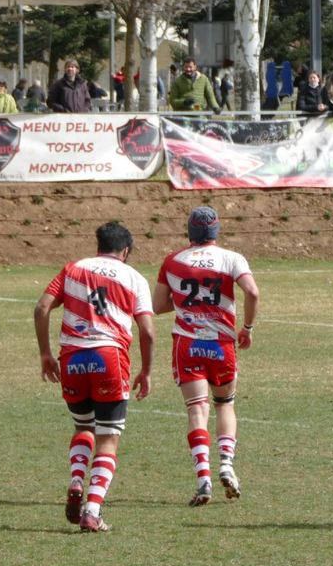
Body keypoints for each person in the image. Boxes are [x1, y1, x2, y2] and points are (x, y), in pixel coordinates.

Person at [33, 221, 155, 532]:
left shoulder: (73, 269)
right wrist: (146, 370)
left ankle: (76, 479)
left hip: (72, 357)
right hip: (109, 357)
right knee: (108, 438)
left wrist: (46, 354)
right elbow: (148, 332)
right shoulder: (135, 278)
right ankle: (92, 510)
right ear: (125, 251)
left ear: (97, 245)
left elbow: (41, 308)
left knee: (83, 425)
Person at [152, 207, 258, 505]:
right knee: (225, 404)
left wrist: (190, 302)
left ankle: (203, 479)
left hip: (188, 344)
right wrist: (247, 328)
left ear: (190, 231)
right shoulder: (231, 259)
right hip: (222, 345)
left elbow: (158, 305)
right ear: (216, 230)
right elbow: (253, 292)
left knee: (197, 409)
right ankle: (226, 464)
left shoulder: (173, 260)